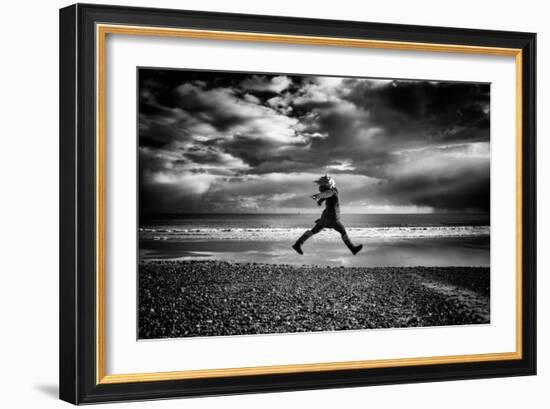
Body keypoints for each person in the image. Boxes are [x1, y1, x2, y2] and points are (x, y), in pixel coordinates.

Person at [292, 174, 363, 255]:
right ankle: (353, 249)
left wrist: (320, 199)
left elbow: (324, 196)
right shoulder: (332, 191)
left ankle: (298, 244)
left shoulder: (328, 193)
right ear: (331, 184)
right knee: (343, 232)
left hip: (324, 218)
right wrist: (318, 196)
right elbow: (327, 194)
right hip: (333, 218)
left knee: (313, 231)